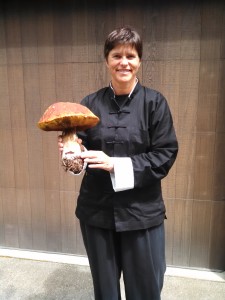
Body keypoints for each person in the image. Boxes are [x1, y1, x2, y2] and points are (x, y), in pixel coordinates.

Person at [58, 26, 178, 300]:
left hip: (142, 213)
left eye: (131, 56)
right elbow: (82, 153)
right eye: (117, 55)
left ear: (139, 61)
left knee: (146, 290)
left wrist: (114, 164)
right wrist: (72, 156)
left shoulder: (155, 103)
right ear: (107, 60)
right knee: (106, 291)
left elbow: (165, 154)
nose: (124, 62)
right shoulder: (89, 104)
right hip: (96, 212)